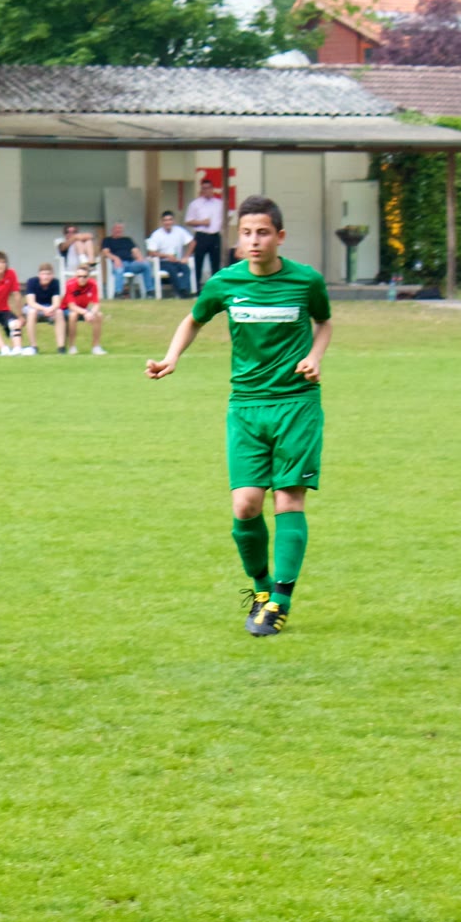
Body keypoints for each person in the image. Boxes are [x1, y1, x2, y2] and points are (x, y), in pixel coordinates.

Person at [145, 196, 331, 638]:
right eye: (246, 233)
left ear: (279, 236)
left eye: (263, 232)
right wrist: (172, 357)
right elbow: (194, 319)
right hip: (245, 407)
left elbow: (324, 322)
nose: (254, 240)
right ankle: (262, 588)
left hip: (296, 404)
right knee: (246, 505)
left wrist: (314, 357)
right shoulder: (225, 283)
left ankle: (280, 601)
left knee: (288, 499)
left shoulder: (306, 281)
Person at [184, 177, 227, 289]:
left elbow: (225, 218)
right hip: (201, 235)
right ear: (201, 190)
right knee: (198, 263)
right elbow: (188, 220)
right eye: (204, 188)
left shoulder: (219, 204)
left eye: (208, 188)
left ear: (212, 189)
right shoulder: (195, 204)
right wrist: (201, 222)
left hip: (214, 236)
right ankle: (197, 288)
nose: (207, 191)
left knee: (215, 264)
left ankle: (215, 288)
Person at [147, 212, 195, 298]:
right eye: (165, 220)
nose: (167, 222)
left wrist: (186, 256)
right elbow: (151, 252)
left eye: (170, 220)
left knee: (186, 268)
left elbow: (192, 242)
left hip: (177, 261)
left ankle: (184, 290)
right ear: (162, 222)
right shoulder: (157, 234)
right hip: (163, 262)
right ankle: (182, 292)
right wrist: (167, 256)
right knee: (172, 269)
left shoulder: (179, 231)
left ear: (173, 221)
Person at [20, 262, 64, 354]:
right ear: (39, 275)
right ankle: (33, 346)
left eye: (48, 274)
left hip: (49, 308)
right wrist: (44, 309)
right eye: (43, 274)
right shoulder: (32, 282)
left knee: (59, 312)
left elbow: (56, 302)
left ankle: (61, 347)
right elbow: (31, 302)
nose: (46, 277)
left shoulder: (55, 282)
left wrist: (50, 309)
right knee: (32, 312)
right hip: (34, 307)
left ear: (52, 275)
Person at [61, 265, 105, 355]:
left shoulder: (92, 284)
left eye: (84, 276)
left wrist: (91, 313)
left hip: (83, 308)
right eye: (79, 276)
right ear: (76, 276)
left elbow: (96, 303)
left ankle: (96, 346)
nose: (82, 279)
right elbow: (71, 306)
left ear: (88, 277)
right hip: (66, 309)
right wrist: (86, 312)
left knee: (99, 315)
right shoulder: (70, 284)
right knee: (73, 315)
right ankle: (72, 347)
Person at [103, 222, 149, 298]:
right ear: (112, 230)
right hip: (118, 264)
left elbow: (135, 250)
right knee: (119, 270)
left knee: (146, 265)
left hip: (131, 264)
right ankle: (118, 293)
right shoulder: (107, 240)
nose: (118, 230)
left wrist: (140, 257)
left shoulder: (127, 240)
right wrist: (116, 258)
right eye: (116, 228)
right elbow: (106, 252)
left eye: (120, 228)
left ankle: (150, 291)